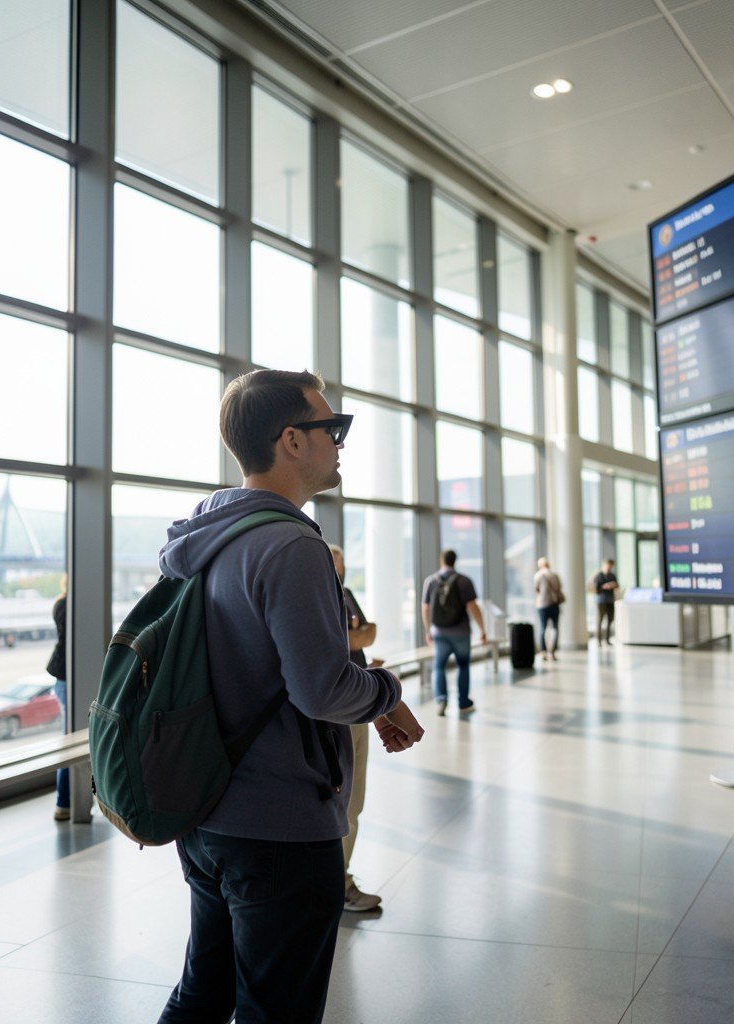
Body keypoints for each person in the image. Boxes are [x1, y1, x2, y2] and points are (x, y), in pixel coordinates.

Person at [156, 369, 424, 1024]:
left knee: (204, 991)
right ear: (291, 441)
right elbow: (321, 687)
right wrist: (388, 690)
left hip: (206, 811)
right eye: (331, 428)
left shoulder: (204, 538)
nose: (339, 443)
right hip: (280, 825)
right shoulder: (292, 544)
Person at [328, 543, 384, 914]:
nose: (338, 570)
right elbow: (342, 641)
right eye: (332, 563)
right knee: (343, 802)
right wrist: (355, 637)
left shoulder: (343, 595)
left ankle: (340, 879)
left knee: (355, 802)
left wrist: (355, 637)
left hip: (359, 707)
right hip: (337, 712)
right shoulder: (317, 596)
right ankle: (337, 885)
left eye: (341, 564)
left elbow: (369, 633)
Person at [422, 549, 487, 716]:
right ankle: (463, 702)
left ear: (441, 561)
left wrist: (428, 630)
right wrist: (482, 629)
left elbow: (425, 608)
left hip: (439, 632)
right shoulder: (464, 581)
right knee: (463, 666)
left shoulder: (430, 581)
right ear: (455, 561)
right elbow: (473, 607)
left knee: (439, 667)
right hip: (461, 632)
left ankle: (442, 699)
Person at [45, 579, 68, 821]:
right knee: (70, 739)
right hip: (66, 677)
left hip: (64, 678)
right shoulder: (64, 606)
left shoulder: (61, 604)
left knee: (72, 736)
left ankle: (69, 800)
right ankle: (64, 801)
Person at [533, 556, 562, 660]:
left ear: (540, 565)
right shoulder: (554, 575)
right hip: (554, 603)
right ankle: (552, 652)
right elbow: (558, 588)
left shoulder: (537, 575)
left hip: (542, 605)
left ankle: (544, 651)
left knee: (543, 627)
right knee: (555, 628)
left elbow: (536, 590)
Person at [592, 558, 619, 645]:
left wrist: (612, 585)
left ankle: (607, 639)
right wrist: (604, 587)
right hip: (601, 600)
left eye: (611, 566)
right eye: (608, 565)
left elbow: (617, 585)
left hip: (610, 600)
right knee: (600, 620)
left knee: (610, 620)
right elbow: (596, 588)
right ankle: (599, 640)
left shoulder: (612, 576)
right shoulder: (599, 576)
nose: (609, 567)